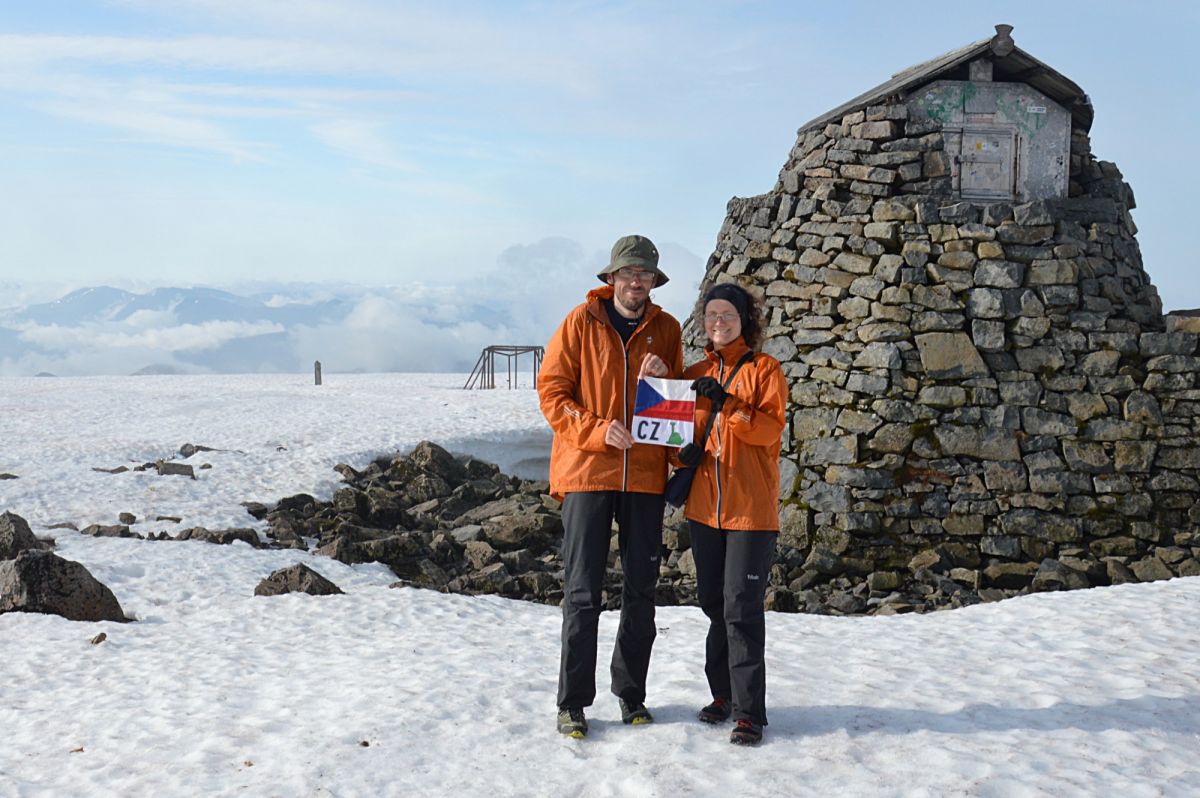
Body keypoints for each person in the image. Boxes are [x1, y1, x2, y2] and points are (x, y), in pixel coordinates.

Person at [538, 234, 683, 739]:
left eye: (643, 274)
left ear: (652, 281)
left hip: (644, 478)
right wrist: (599, 430)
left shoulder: (666, 329)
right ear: (611, 278)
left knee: (641, 592)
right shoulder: (579, 323)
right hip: (586, 474)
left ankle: (632, 695)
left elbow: (675, 410)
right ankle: (573, 704)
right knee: (582, 593)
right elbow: (552, 394)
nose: (635, 282)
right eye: (627, 274)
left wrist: (666, 377)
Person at [675, 282, 787, 746]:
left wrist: (729, 403)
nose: (718, 323)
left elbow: (768, 431)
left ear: (745, 321)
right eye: (712, 315)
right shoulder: (696, 372)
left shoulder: (765, 370)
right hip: (705, 512)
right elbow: (674, 431)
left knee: (741, 610)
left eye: (728, 315)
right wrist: (678, 455)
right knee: (714, 607)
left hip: (749, 514)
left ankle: (748, 713)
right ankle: (722, 696)